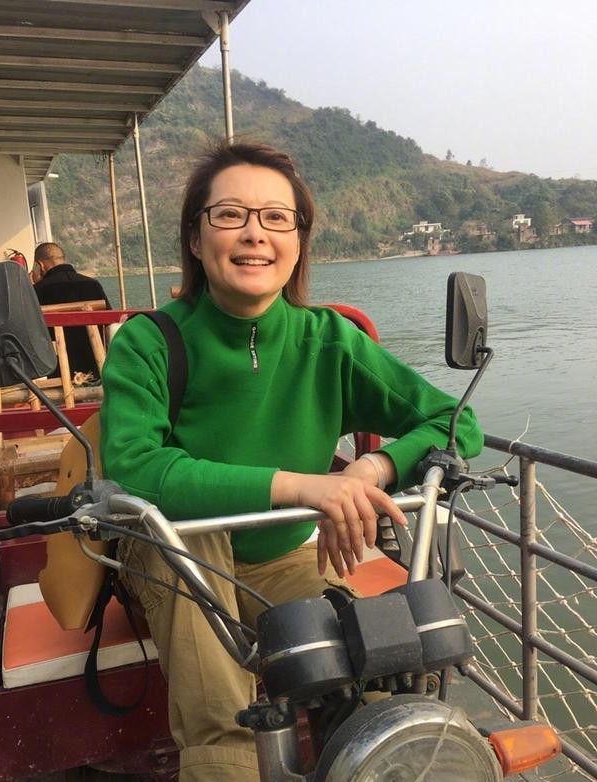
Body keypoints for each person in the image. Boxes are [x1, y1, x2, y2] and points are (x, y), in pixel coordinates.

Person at [100, 142, 483, 782]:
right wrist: (302, 487)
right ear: (195, 238)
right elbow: (137, 467)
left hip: (280, 555)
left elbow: (457, 421)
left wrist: (369, 470)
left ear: (299, 242)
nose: (255, 234)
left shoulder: (328, 340)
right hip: (174, 557)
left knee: (374, 660)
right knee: (194, 564)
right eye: (230, 215)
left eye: (277, 218)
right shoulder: (149, 341)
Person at [32, 242, 110, 378]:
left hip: (61, 372)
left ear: (40, 265)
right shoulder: (92, 284)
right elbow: (109, 322)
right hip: (98, 367)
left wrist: (32, 285)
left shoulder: (37, 291)